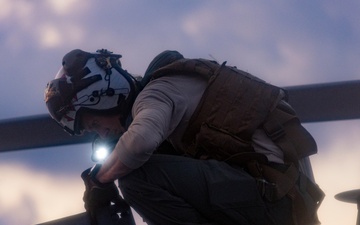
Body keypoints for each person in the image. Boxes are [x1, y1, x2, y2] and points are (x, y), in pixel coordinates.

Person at [44, 49, 324, 225]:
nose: (100, 133)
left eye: (94, 123)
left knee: (137, 179)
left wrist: (99, 180)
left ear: (104, 98)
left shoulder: (156, 94)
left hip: (275, 201)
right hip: (283, 195)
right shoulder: (167, 88)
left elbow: (139, 143)